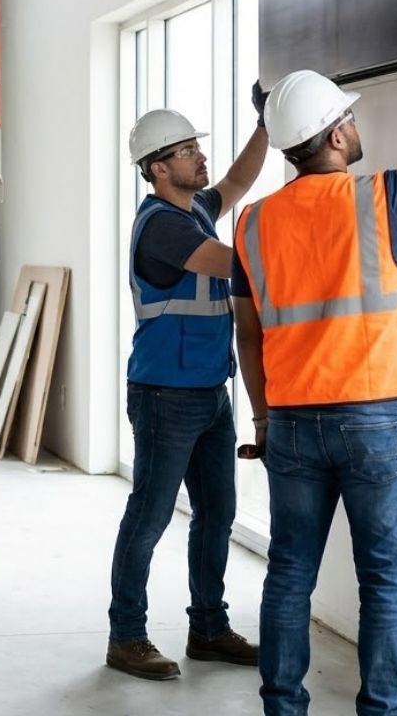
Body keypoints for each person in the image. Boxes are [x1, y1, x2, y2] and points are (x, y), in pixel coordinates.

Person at [232, 17, 397, 716]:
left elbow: (248, 336)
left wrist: (264, 416)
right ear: (336, 135)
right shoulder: (384, 199)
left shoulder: (251, 225)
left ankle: (284, 708)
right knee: (386, 582)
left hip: (294, 424)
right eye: (349, 118)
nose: (354, 127)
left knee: (288, 576)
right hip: (376, 422)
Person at [106, 92, 269, 680]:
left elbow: (238, 178)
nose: (200, 158)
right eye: (186, 151)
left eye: (197, 147)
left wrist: (265, 123)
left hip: (209, 392)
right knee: (148, 517)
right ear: (157, 167)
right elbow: (237, 265)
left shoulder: (196, 208)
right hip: (163, 395)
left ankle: (208, 628)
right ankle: (126, 637)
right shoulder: (162, 229)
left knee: (218, 512)